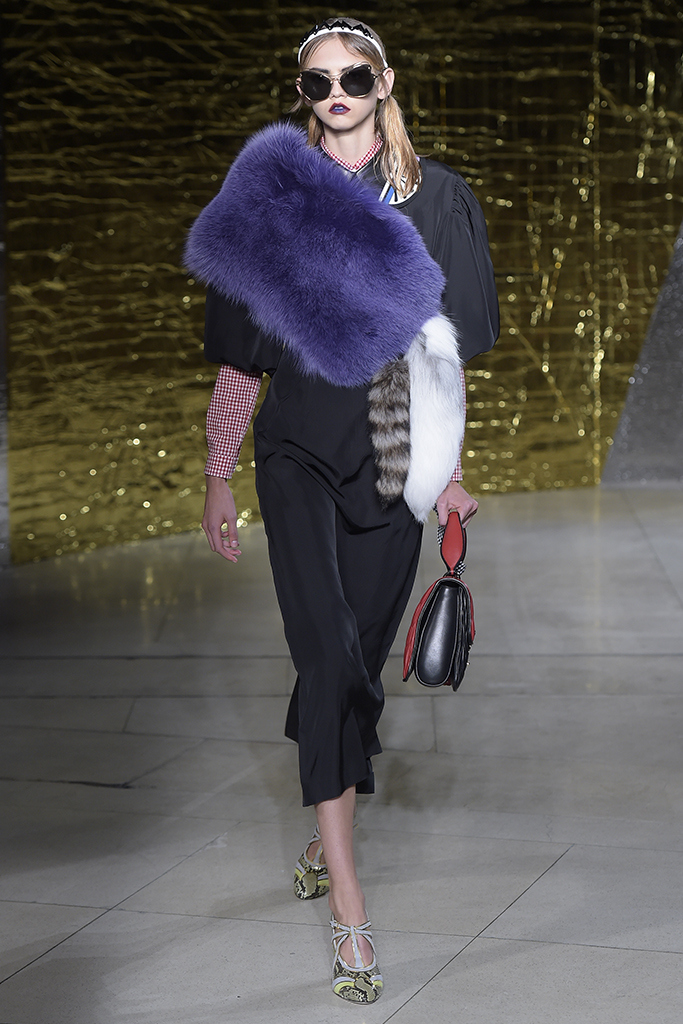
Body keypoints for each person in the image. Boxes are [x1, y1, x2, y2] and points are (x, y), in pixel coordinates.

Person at [185, 17, 499, 1004]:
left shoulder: (435, 198)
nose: (335, 94)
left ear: (383, 81)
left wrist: (447, 472)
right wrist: (218, 471)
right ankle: (350, 910)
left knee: (356, 662)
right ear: (302, 92)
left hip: (393, 457)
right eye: (317, 81)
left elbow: (442, 355)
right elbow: (242, 356)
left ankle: (325, 818)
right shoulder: (271, 198)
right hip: (295, 455)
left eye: (353, 78)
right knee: (324, 656)